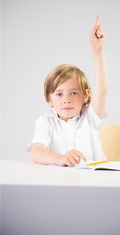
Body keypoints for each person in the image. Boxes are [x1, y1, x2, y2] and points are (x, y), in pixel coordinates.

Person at [26, 15, 108, 166]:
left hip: (93, 182)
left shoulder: (89, 116)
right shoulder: (46, 121)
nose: (66, 99)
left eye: (74, 93)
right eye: (59, 94)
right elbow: (36, 153)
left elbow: (102, 90)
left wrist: (98, 50)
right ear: (49, 99)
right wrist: (60, 159)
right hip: (58, 183)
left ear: (86, 96)